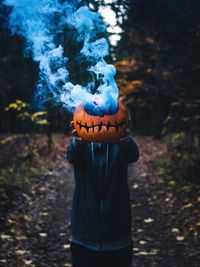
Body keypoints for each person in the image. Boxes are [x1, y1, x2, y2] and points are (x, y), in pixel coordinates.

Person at [67, 122, 139, 267]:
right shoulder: (82, 145)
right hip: (84, 234)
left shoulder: (119, 145)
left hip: (118, 234)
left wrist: (125, 140)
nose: (100, 119)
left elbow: (132, 155)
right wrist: (77, 142)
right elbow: (72, 155)